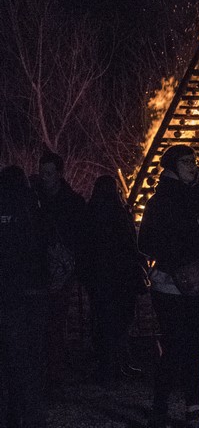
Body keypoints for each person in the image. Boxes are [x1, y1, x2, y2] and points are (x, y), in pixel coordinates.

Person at [138, 145, 199, 428]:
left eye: (194, 160)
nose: (192, 166)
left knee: (197, 345)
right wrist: (177, 258)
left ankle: (193, 407)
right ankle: (161, 407)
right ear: (172, 166)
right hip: (170, 285)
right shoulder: (160, 201)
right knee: (177, 345)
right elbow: (146, 243)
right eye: (185, 161)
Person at [84, 175, 148, 384]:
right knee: (120, 322)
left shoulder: (90, 214)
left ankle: (109, 366)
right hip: (121, 278)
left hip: (100, 279)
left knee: (104, 322)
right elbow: (130, 245)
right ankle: (117, 364)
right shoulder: (120, 214)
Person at [0, 165, 48, 428]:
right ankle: (29, 417)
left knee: (8, 361)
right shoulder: (32, 206)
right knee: (28, 362)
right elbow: (39, 246)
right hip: (28, 294)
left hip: (7, 293)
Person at [36, 150, 86, 386]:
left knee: (56, 321)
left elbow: (80, 235)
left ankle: (54, 373)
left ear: (59, 173)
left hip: (62, 269)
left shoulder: (71, 202)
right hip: (39, 269)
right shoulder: (33, 200)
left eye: (49, 173)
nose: (45, 177)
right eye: (42, 172)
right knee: (44, 322)